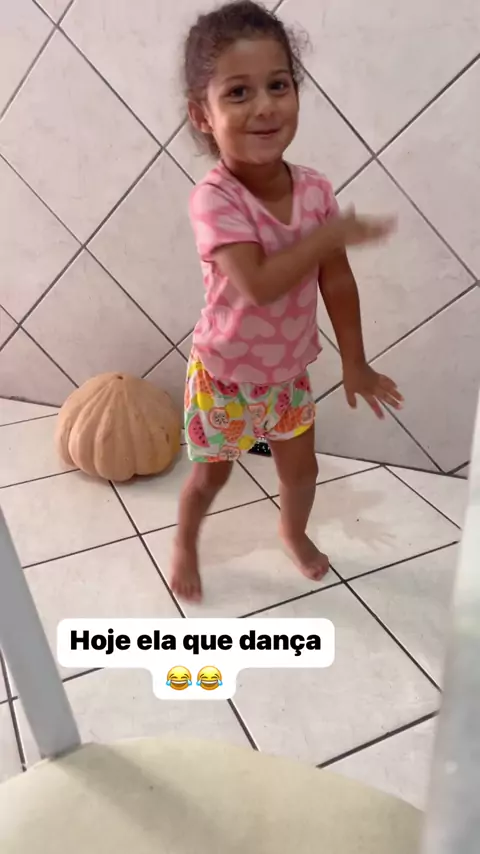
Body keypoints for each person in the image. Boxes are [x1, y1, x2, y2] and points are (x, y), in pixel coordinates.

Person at [172, 0, 403, 601]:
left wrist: (355, 361)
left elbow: (337, 281)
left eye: (278, 85)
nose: (265, 106)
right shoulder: (215, 199)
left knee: (302, 472)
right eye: (238, 93)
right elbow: (258, 283)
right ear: (202, 114)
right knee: (209, 479)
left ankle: (292, 531)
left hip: (286, 375)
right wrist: (326, 237)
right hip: (222, 375)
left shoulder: (316, 190)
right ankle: (185, 542)